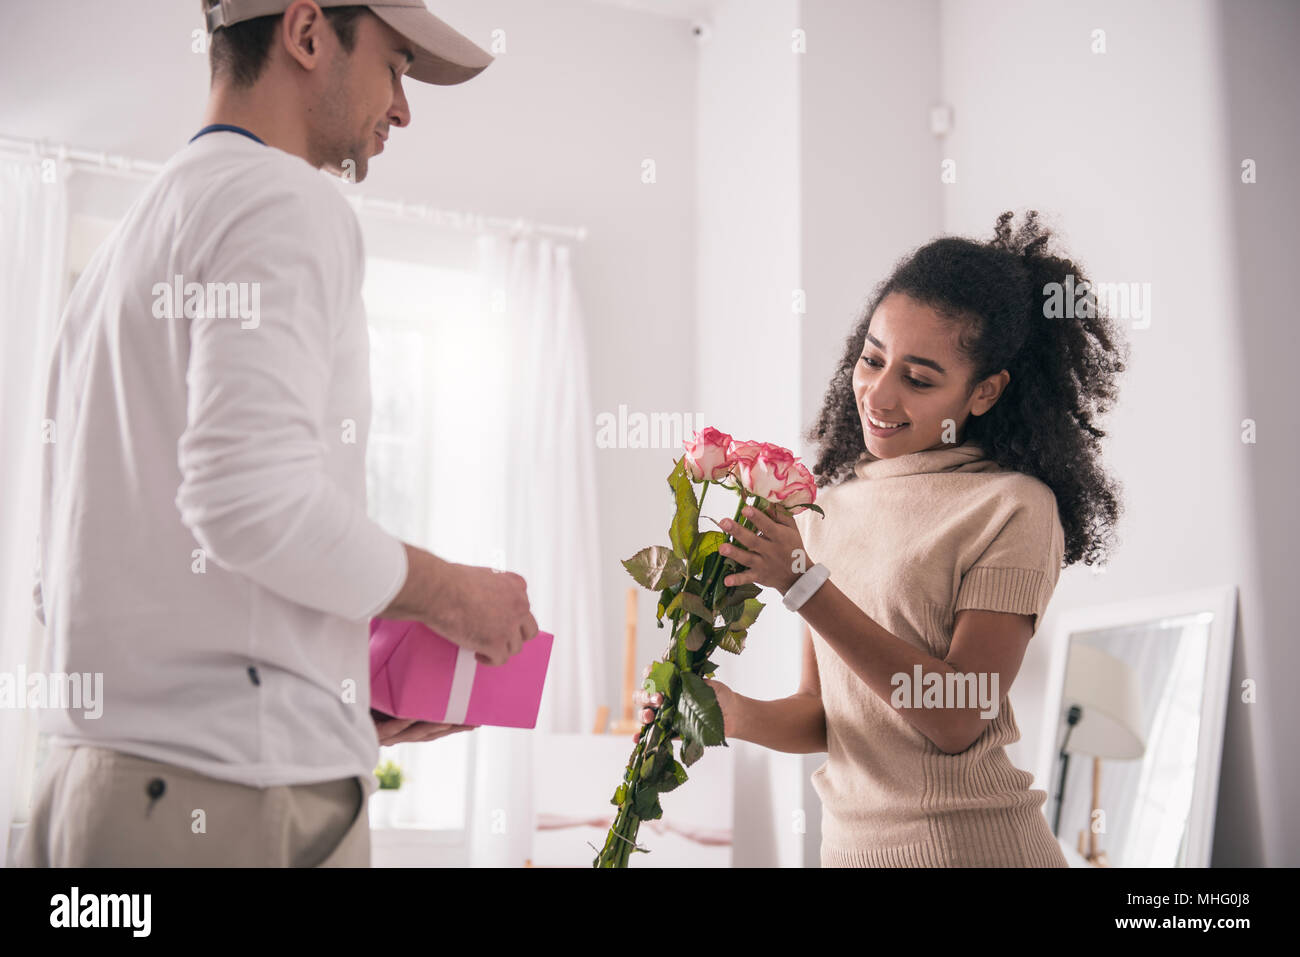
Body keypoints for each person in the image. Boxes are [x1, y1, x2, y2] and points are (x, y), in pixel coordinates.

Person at [18, 1, 536, 868]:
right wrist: (457, 595)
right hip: (219, 805)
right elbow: (251, 500)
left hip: (95, 791)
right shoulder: (284, 197)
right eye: (396, 65)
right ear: (306, 33)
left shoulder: (122, 254)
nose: (402, 107)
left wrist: (320, 694)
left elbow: (64, 582)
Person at [639, 210, 1127, 866]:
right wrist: (732, 712)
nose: (879, 393)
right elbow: (828, 714)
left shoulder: (1014, 508)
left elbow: (958, 715)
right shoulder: (825, 508)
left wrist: (805, 585)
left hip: (972, 850)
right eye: (873, 358)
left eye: (919, 378)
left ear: (984, 392)